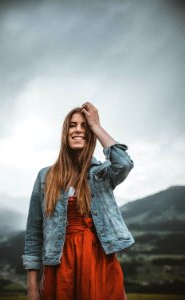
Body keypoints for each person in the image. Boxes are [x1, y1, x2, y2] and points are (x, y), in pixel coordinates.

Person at [22, 102, 135, 300]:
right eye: (73, 125)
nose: (78, 130)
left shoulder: (101, 174)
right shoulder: (45, 177)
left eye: (85, 126)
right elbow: (34, 234)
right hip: (59, 265)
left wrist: (97, 126)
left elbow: (124, 163)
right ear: (65, 133)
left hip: (100, 262)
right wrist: (32, 287)